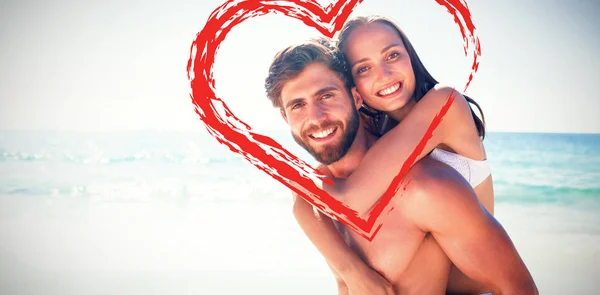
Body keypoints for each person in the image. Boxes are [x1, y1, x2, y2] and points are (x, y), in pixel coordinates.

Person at [264, 39, 537, 294]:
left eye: (326, 96)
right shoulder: (316, 198)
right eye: (298, 105)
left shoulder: (425, 189)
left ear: (356, 97)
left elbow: (519, 289)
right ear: (284, 116)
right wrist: (352, 270)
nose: (316, 118)